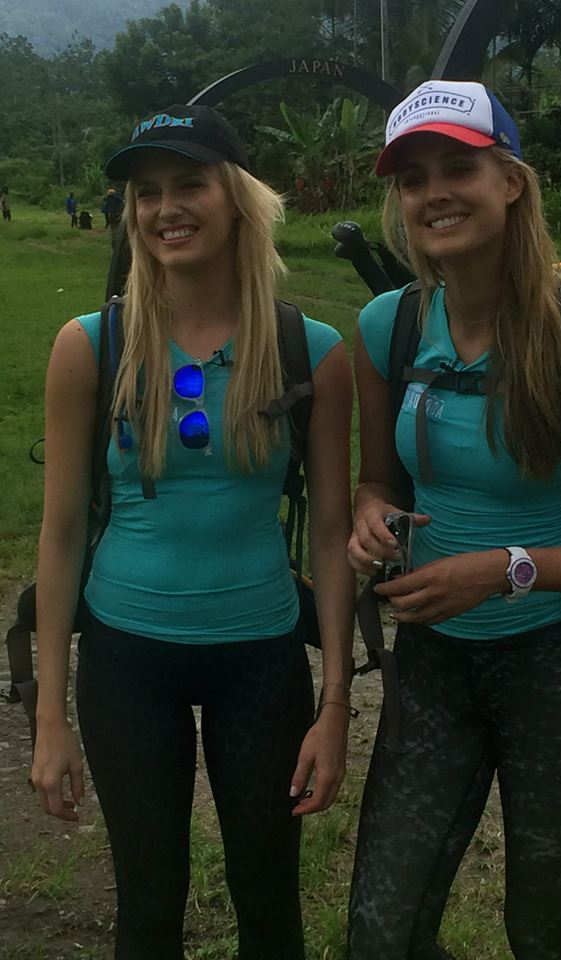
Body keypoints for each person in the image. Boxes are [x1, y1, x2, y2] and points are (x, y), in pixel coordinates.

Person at [346, 80, 561, 960]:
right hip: (433, 661)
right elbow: (377, 480)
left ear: (511, 183)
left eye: (459, 168)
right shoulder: (389, 326)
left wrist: (506, 567)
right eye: (413, 178)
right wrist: (370, 516)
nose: (434, 193)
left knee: (541, 932)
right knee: (381, 931)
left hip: (560, 666)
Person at [31, 103, 355, 960]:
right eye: (147, 193)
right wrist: (49, 718)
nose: (165, 208)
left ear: (236, 199)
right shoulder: (89, 346)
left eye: (189, 185)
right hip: (126, 659)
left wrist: (335, 708)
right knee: (148, 907)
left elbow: (330, 535)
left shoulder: (311, 350)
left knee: (269, 904)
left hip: (262, 658)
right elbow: (60, 535)